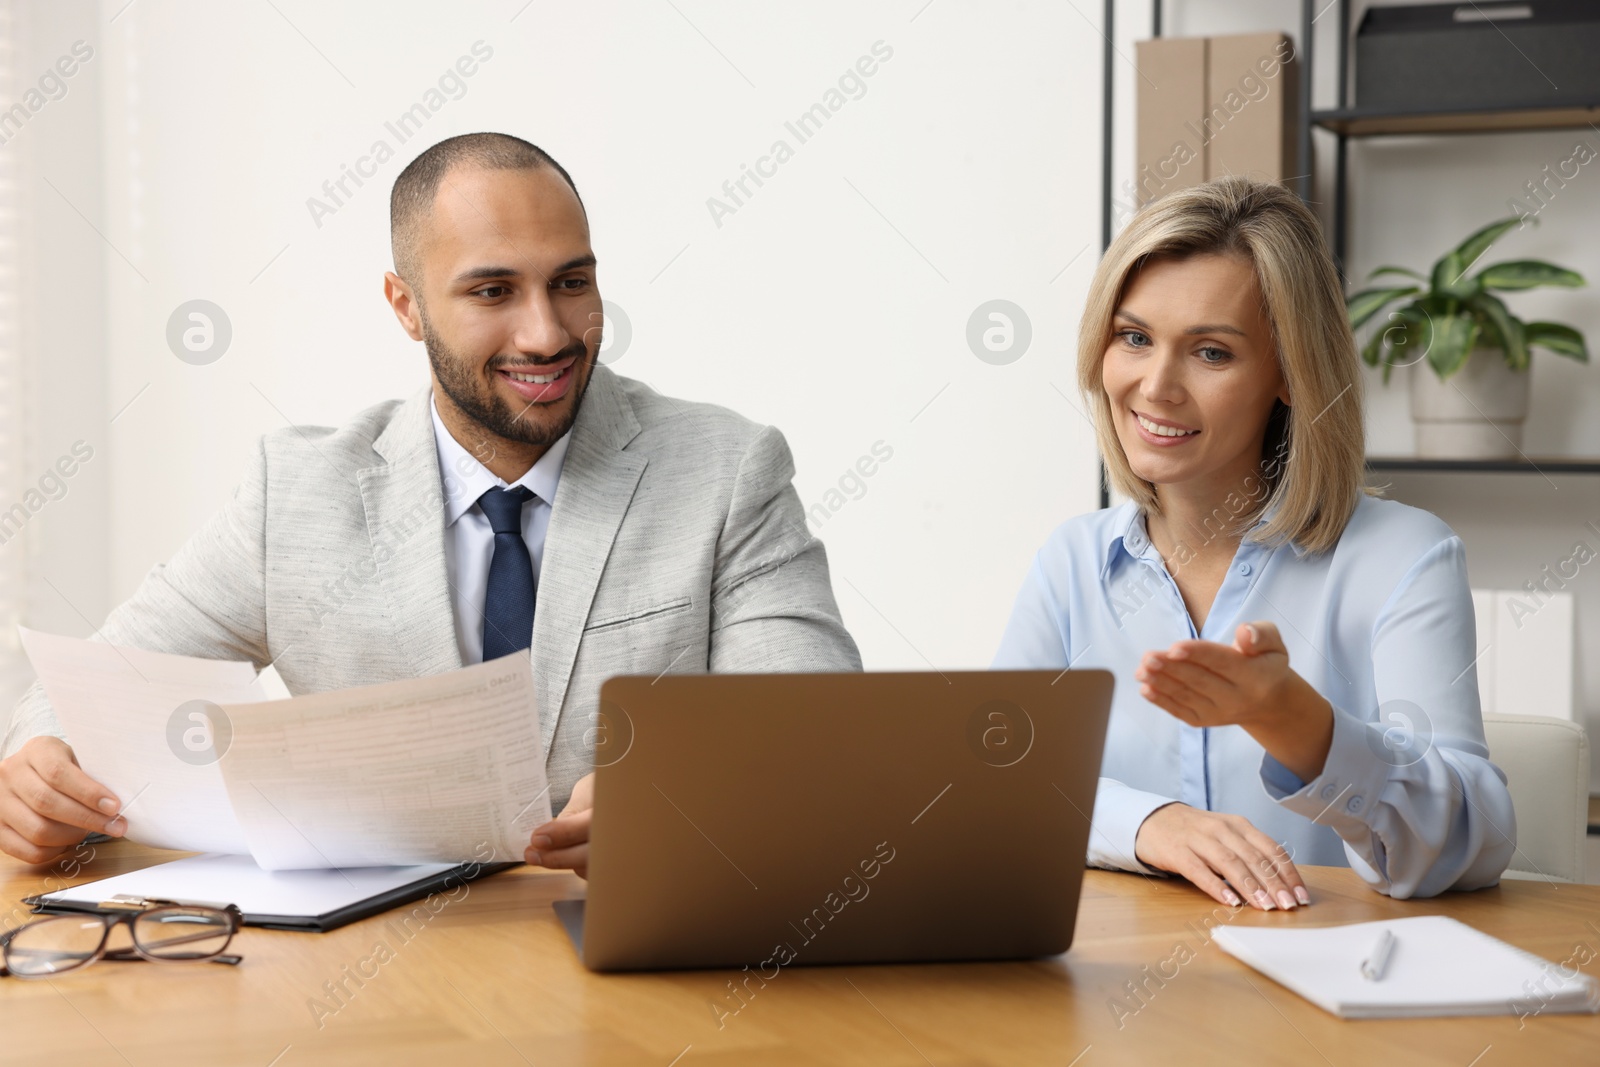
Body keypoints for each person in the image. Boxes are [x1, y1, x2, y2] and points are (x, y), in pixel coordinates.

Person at [0, 132, 860, 875]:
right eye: (493, 292)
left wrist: (685, 785)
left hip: (635, 954)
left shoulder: (727, 469)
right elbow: (90, 691)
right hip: (381, 979)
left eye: (570, 282)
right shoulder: (295, 495)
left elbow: (820, 732)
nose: (547, 333)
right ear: (406, 306)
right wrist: (37, 761)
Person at [993, 177, 1515, 909]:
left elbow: (1471, 845)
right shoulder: (1071, 560)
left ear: (1292, 376)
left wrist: (1298, 724)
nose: (1156, 385)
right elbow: (999, 784)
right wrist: (1150, 824)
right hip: (1120, 994)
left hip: (1333, 991)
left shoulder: (1404, 556)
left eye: (1211, 353)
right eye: (1134, 337)